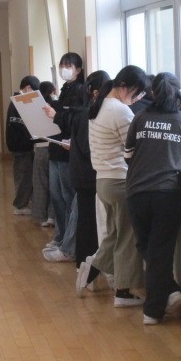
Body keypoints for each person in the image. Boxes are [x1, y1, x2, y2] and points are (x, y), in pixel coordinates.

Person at [124, 72, 181, 325]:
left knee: (146, 246)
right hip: (166, 194)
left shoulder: (140, 118)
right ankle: (154, 309)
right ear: (178, 93)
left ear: (153, 93)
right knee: (160, 250)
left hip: (136, 192)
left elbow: (128, 155)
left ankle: (166, 295)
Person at [76, 65, 148, 307]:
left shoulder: (99, 106)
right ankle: (123, 292)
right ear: (124, 87)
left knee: (114, 234)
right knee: (127, 237)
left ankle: (91, 269)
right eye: (136, 94)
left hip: (103, 181)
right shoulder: (120, 110)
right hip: (119, 181)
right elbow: (134, 149)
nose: (137, 100)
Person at [41, 52, 88, 262]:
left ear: (78, 69)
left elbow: (74, 120)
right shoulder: (65, 89)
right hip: (56, 147)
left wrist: (56, 115)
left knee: (68, 197)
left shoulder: (81, 90)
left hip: (68, 151)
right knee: (56, 196)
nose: (64, 69)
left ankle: (69, 244)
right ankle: (60, 237)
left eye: (69, 66)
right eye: (63, 65)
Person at [70, 70, 110, 268]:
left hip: (81, 174)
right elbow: (88, 148)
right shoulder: (89, 114)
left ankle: (85, 267)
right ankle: (87, 268)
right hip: (88, 176)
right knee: (89, 223)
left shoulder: (82, 111)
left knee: (86, 221)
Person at [6, 75, 40, 215]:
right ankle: (20, 206)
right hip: (20, 146)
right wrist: (34, 135)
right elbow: (20, 125)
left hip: (21, 145)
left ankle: (24, 202)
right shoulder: (18, 102)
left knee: (25, 175)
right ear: (28, 88)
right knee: (23, 176)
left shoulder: (18, 101)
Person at [31, 81, 56, 227]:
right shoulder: (55, 106)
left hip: (39, 147)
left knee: (40, 183)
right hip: (54, 146)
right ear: (53, 91)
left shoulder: (35, 108)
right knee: (53, 184)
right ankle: (52, 216)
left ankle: (41, 216)